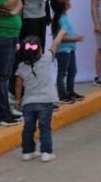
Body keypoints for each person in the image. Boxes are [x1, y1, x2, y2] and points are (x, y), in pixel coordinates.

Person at [14, 30, 67, 162]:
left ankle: (28, 152)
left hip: (28, 103)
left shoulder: (21, 66)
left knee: (28, 128)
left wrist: (18, 99)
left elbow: (18, 84)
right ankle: (46, 152)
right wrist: (61, 32)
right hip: (45, 101)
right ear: (39, 50)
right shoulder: (46, 59)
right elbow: (55, 44)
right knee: (44, 128)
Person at [0, 0, 28, 126]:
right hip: (2, 37)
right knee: (1, 78)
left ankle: (5, 111)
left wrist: (14, 9)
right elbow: (9, 4)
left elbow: (17, 5)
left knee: (5, 76)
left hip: (11, 37)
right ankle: (3, 114)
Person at [49, 0, 83, 103]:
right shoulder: (60, 19)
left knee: (72, 71)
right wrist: (75, 39)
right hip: (63, 50)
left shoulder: (64, 17)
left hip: (70, 49)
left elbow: (67, 32)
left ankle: (70, 91)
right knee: (62, 72)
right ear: (63, 6)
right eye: (67, 2)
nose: (70, 3)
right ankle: (62, 95)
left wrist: (74, 37)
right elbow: (61, 37)